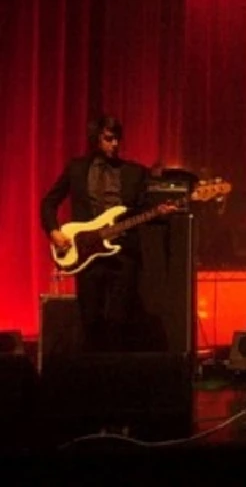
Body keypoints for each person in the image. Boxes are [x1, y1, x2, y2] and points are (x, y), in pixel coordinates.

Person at [40, 114, 170, 352]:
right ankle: (93, 378)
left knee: (119, 322)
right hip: (87, 254)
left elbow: (145, 210)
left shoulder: (135, 172)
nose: (115, 144)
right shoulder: (77, 168)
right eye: (109, 139)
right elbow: (48, 203)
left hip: (123, 254)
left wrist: (162, 211)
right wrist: (54, 231)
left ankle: (117, 378)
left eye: (118, 139)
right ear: (96, 139)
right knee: (90, 321)